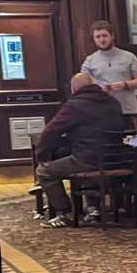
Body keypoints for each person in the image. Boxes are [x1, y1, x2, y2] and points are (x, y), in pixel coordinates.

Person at [34, 73, 128, 227]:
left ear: (73, 88)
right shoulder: (113, 102)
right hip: (116, 159)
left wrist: (42, 156)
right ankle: (94, 208)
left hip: (88, 160)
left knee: (44, 172)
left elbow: (50, 132)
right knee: (82, 155)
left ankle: (63, 213)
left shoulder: (74, 105)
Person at [77, 19, 137, 129]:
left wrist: (125, 84)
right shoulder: (90, 61)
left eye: (105, 36)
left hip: (126, 110)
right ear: (94, 39)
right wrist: (98, 88)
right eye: (98, 37)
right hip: (101, 111)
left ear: (112, 36)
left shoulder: (129, 57)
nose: (102, 40)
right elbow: (82, 86)